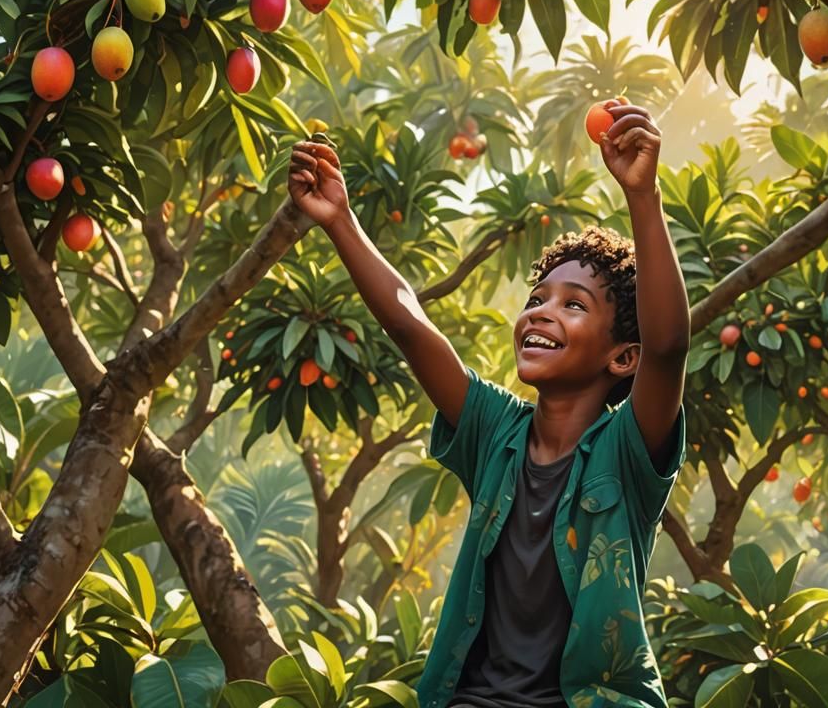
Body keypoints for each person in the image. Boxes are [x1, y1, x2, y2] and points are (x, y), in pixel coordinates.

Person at [287, 99, 690, 708]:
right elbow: (412, 325)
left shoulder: (627, 454)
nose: (542, 311)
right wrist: (341, 219)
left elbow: (667, 346)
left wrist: (643, 197)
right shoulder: (494, 431)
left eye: (574, 305)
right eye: (539, 296)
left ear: (621, 359)